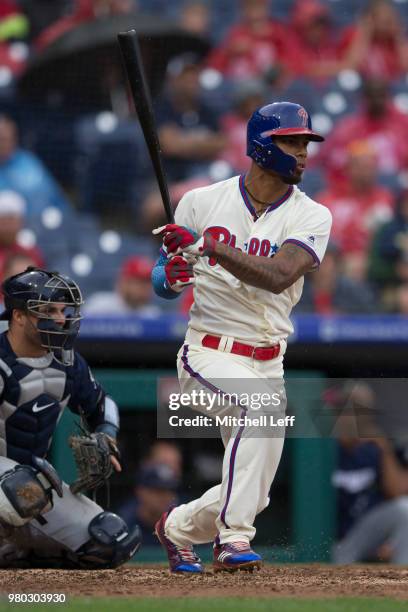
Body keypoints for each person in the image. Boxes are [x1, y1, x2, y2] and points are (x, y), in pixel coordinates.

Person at [151, 101, 332, 573]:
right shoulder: (201, 201)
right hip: (209, 349)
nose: (302, 153)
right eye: (291, 142)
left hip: (269, 360)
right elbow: (166, 280)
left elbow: (278, 275)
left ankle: (178, 526)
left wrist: (210, 245)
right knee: (262, 417)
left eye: (305, 143)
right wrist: (170, 274)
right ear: (260, 145)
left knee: (256, 491)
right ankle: (232, 541)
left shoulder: (313, 215)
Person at [0, 267, 141, 568]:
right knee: (21, 490)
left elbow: (102, 404)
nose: (61, 319)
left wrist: (105, 433)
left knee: (108, 542)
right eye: (47, 311)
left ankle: (16, 551)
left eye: (62, 310)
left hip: (31, 485)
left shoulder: (68, 362)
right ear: (18, 315)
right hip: (13, 482)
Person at [331, 382, 408, 564]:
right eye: (351, 408)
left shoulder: (373, 448)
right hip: (331, 540)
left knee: (404, 508)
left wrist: (384, 449)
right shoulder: (320, 448)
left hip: (364, 534)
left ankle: (403, 581)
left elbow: (398, 492)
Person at [0, 115, 71, 217]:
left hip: (38, 226)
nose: (3, 144)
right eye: (1, 139)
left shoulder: (29, 163)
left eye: (6, 139)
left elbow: (56, 199)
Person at [338, 0, 408, 82]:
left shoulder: (396, 42)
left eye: (389, 21)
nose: (385, 26)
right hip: (365, 86)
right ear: (371, 20)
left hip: (390, 87)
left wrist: (398, 36)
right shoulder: (355, 35)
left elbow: (406, 67)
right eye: (382, 21)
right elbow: (351, 65)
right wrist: (366, 33)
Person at [118, 463, 180, 546]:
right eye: (159, 490)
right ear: (140, 492)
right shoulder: (123, 527)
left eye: (170, 490)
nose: (165, 497)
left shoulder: (182, 524)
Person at [83, 255, 160, 316]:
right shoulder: (99, 306)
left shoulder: (152, 314)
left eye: (148, 282)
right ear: (124, 282)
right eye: (139, 282)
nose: (144, 288)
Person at [0, 190, 44, 281]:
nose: (7, 225)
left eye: (11, 219)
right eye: (3, 219)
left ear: (21, 221)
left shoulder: (30, 251)